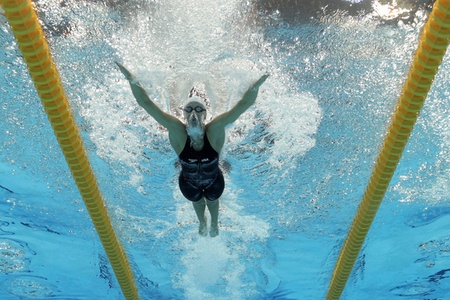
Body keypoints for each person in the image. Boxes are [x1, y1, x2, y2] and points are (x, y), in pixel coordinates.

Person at [116, 62, 268, 237]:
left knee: (212, 199)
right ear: (183, 113)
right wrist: (130, 78)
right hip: (188, 183)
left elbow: (242, 106)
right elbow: (146, 104)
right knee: (197, 200)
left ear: (205, 113)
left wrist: (258, 83)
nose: (193, 112)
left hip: (214, 180)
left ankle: (215, 223)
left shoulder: (214, 129)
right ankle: (202, 221)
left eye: (198, 108)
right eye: (188, 108)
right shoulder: (177, 131)